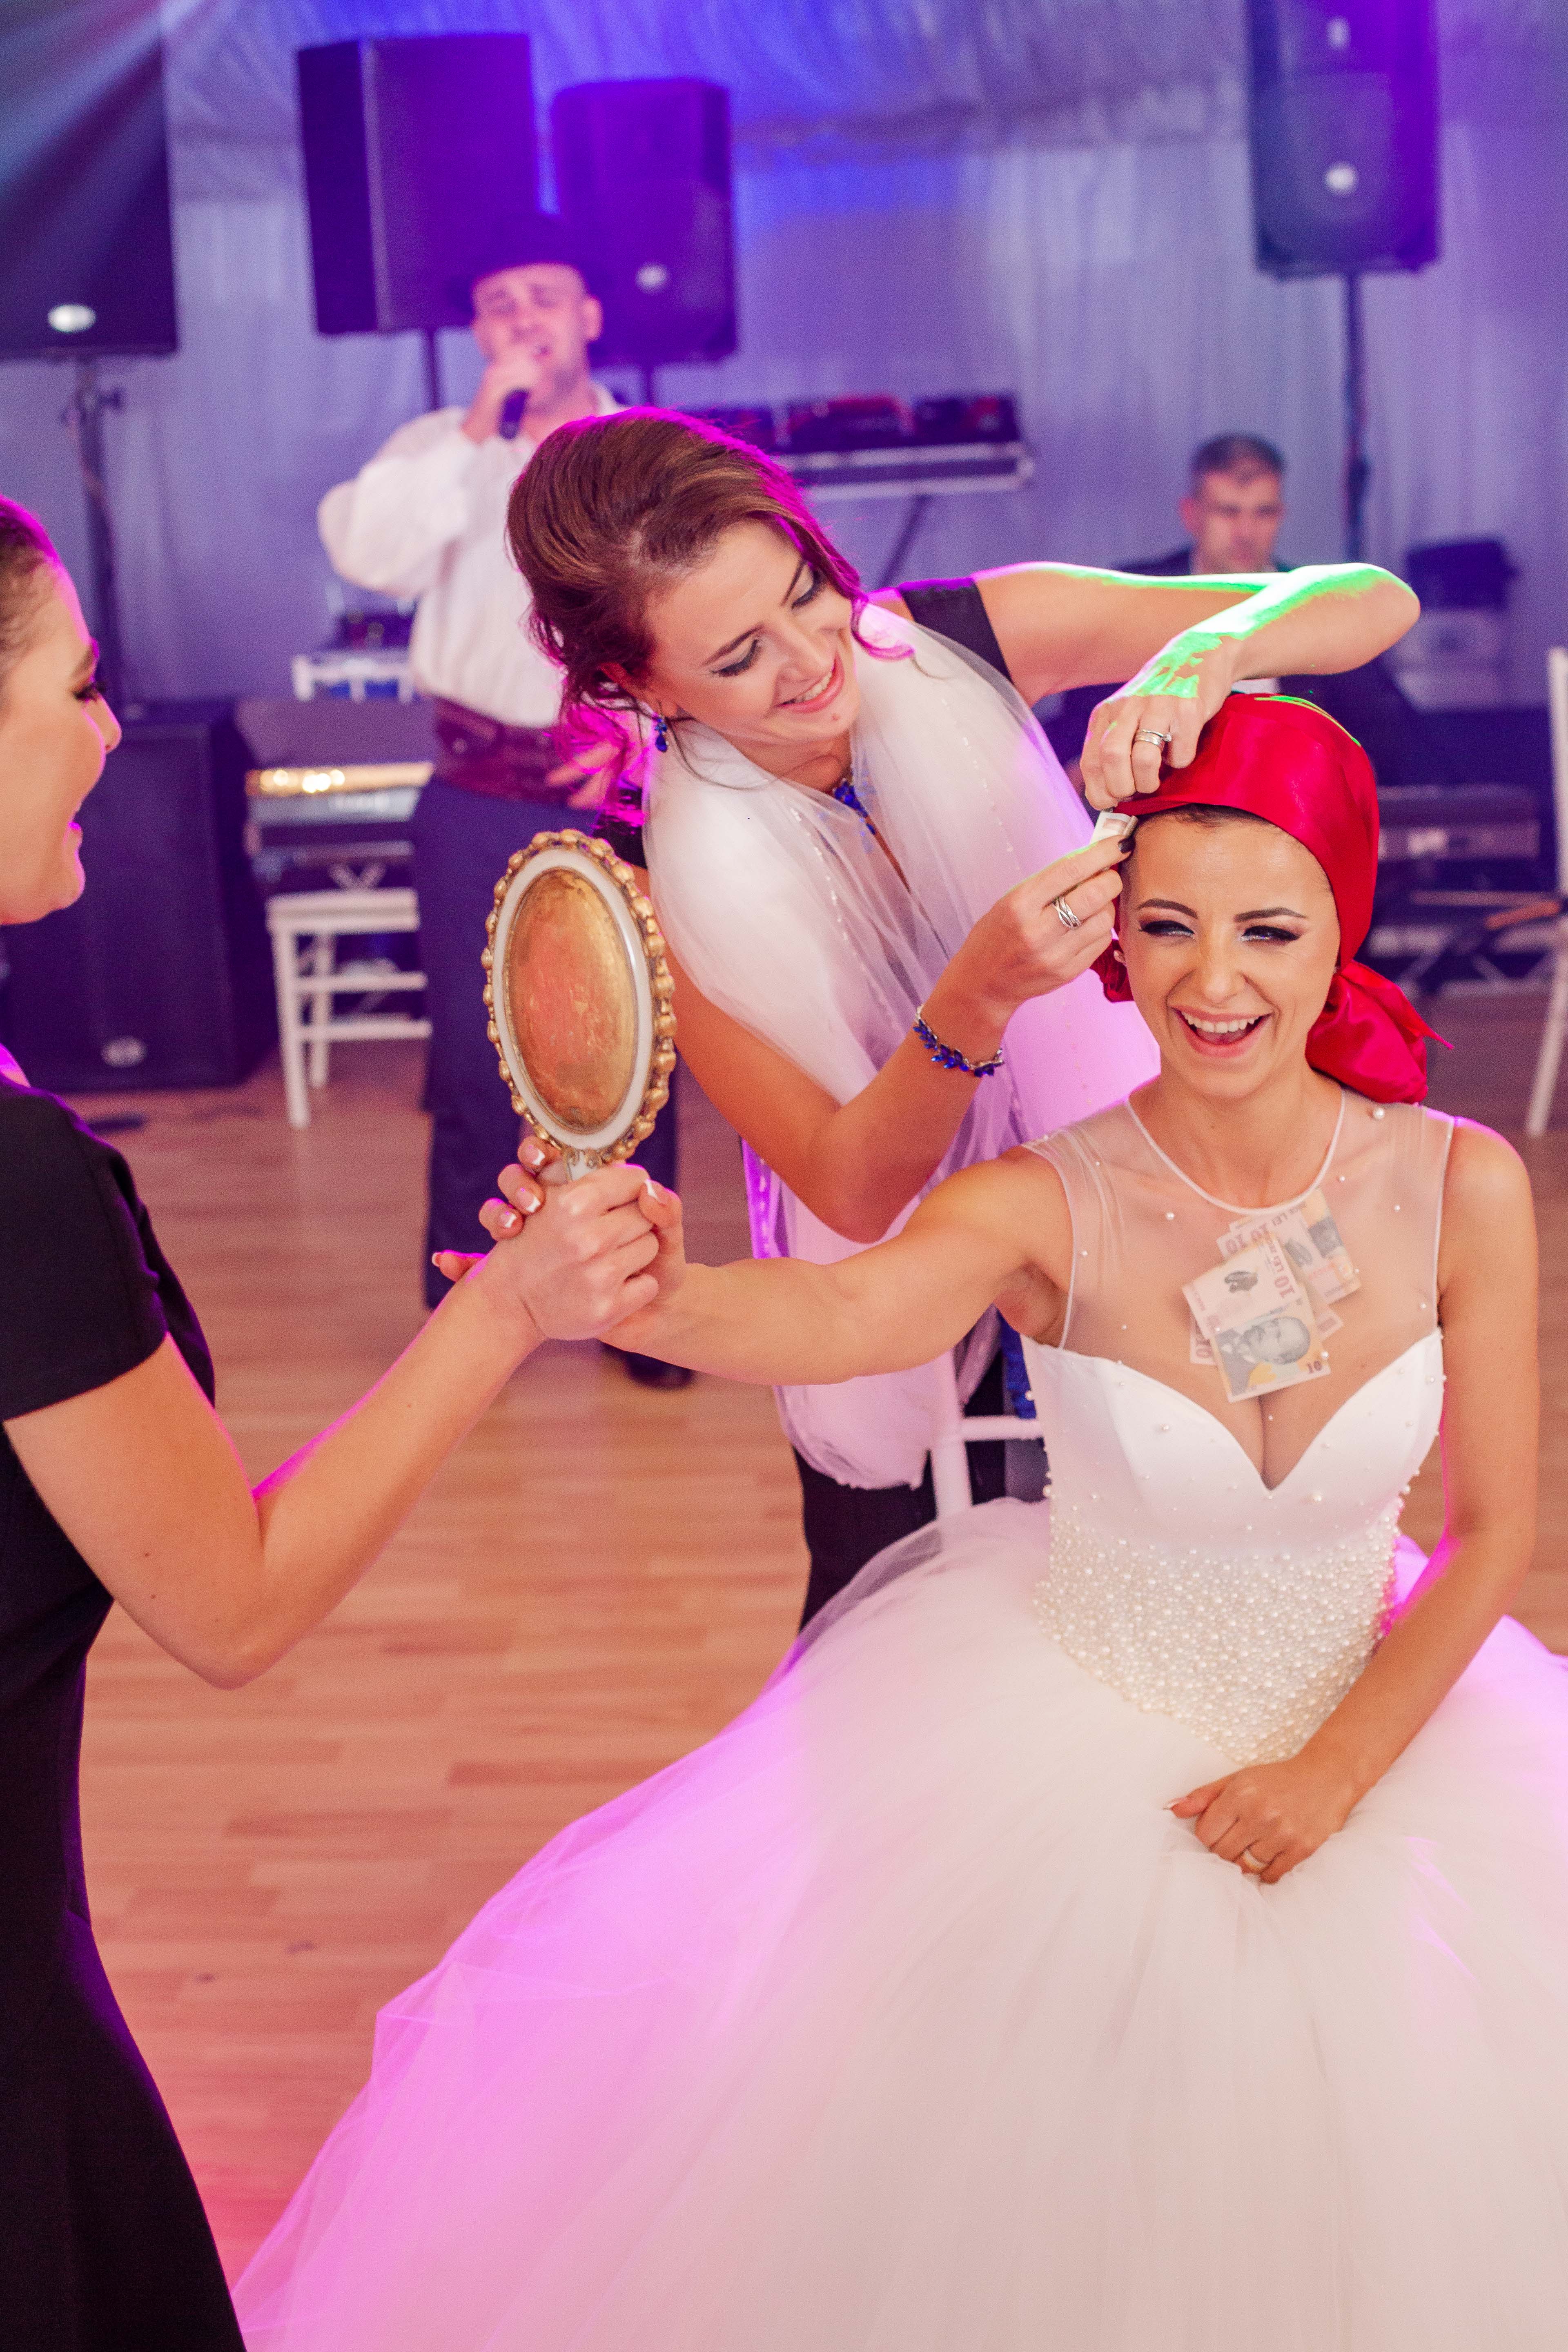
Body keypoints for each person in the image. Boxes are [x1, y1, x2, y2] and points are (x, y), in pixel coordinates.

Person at [232, 691, 1568, 2349]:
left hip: (1388, 1747)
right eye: (1166, 926)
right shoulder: (1044, 1198)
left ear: (1342, 927)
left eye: (1268, 931)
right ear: (1116, 935)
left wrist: (1334, 1774)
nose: (1212, 981)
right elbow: (842, 1313)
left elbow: (1492, 1535)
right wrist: (638, 1293)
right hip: (1094, 1774)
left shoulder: (1460, 1184)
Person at [0, 497, 666, 2352]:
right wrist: (507, 1306)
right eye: (76, 686)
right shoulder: (18, 1185)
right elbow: (235, 1597)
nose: (110, 731)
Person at [506, 408, 1416, 1622]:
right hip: (904, 1315)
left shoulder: (953, 639)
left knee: (1257, 1593)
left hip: (1169, 1213)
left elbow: (1370, 600)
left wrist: (1210, 645)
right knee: (941, 1651)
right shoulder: (658, 878)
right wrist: (974, 998)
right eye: (738, 657)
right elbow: (850, 1188)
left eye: (806, 591)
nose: (812, 659)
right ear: (633, 680)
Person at [317, 224, 685, 1382]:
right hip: (474, 793)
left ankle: (644, 1309)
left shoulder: (648, 453)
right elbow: (368, 556)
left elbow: (694, 620)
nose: (523, 317)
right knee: (478, 1059)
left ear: (589, 316)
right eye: (497, 302)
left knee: (636, 1050)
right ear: (477, 332)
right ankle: (465, 1304)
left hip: (614, 792)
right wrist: (480, 427)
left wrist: (640, 743)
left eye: (544, 295)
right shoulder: (441, 447)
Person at [1049, 430, 1437, 792]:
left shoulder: (1319, 603)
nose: (1246, 532)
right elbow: (1078, 729)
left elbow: (1391, 740)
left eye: (1263, 512)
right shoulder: (1138, 591)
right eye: (1228, 512)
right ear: (1191, 514)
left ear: (1281, 515)